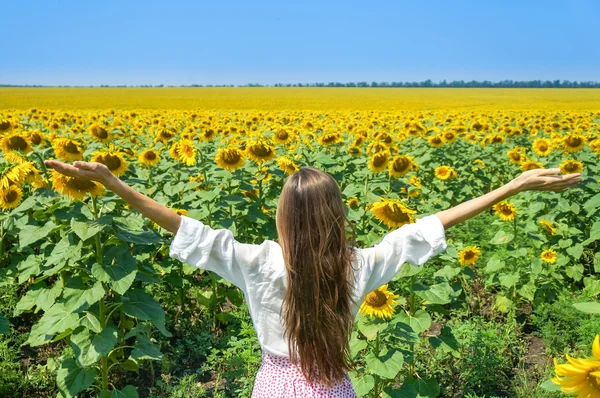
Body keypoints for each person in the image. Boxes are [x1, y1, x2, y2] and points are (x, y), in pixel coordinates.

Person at [44, 159, 583, 397]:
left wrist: (114, 182)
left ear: (283, 218)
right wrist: (512, 187)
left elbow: (188, 229)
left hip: (275, 387)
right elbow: (427, 228)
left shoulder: (258, 263)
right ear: (337, 217)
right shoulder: (360, 265)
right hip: (333, 388)